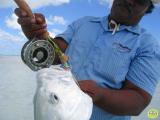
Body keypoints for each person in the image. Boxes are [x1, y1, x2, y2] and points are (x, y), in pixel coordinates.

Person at [15, 0, 160, 119]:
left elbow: (139, 100)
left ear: (148, 8)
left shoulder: (148, 45)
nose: (129, 1)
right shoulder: (83, 23)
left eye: (140, 1)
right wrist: (36, 35)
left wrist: (100, 95)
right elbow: (56, 54)